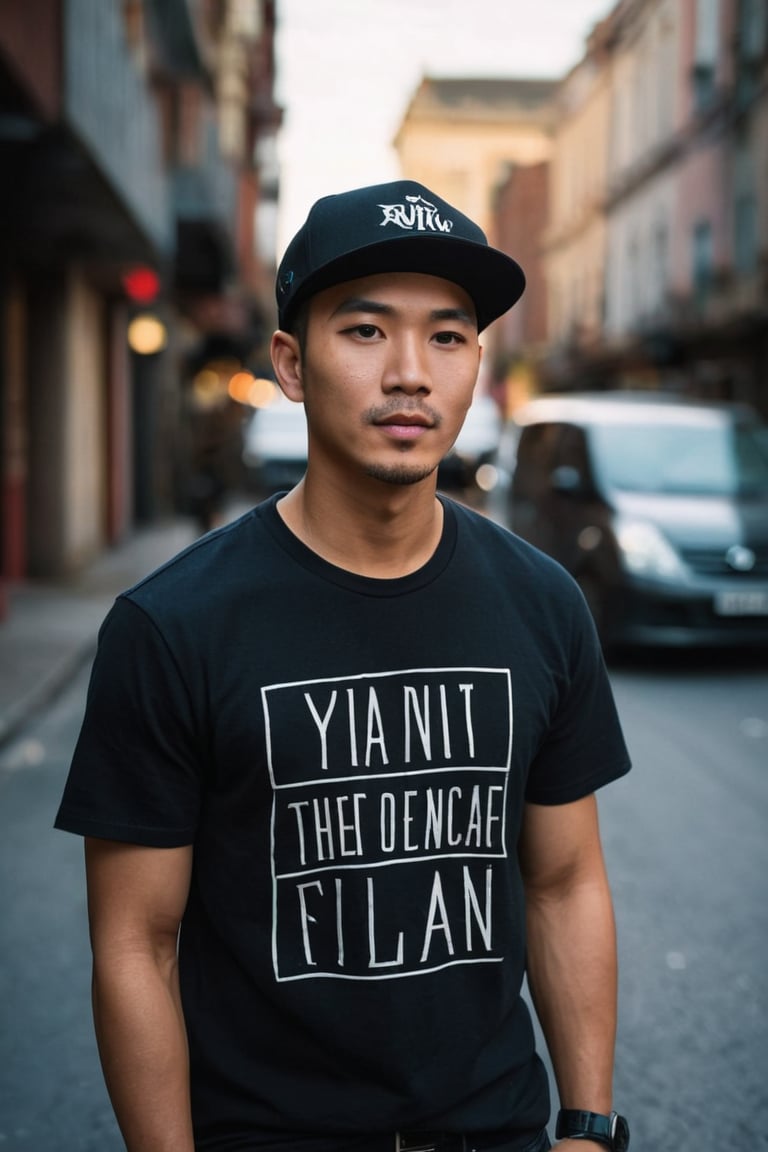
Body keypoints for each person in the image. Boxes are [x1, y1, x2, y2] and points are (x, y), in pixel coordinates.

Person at [56, 180, 632, 1152]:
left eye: (447, 337)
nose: (411, 373)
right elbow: (135, 944)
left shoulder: (541, 605)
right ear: (291, 362)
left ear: (476, 365)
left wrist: (585, 1126)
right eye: (365, 331)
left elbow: (565, 883)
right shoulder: (172, 626)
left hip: (495, 1131)